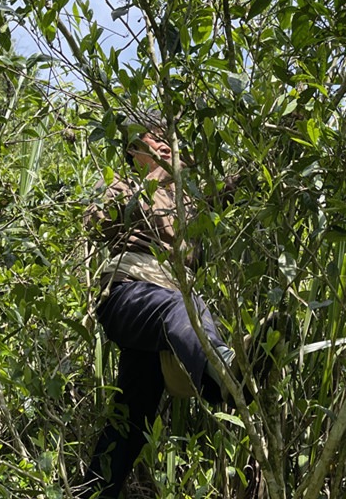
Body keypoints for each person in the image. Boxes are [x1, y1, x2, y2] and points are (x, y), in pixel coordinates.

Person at [78, 113, 243, 499]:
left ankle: (88, 494)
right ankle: (223, 372)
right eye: (154, 139)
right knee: (180, 307)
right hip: (129, 290)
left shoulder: (189, 194)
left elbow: (235, 186)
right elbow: (95, 222)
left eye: (169, 136)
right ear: (135, 151)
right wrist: (156, 178)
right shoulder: (122, 184)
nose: (166, 142)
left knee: (129, 423)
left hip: (168, 304)